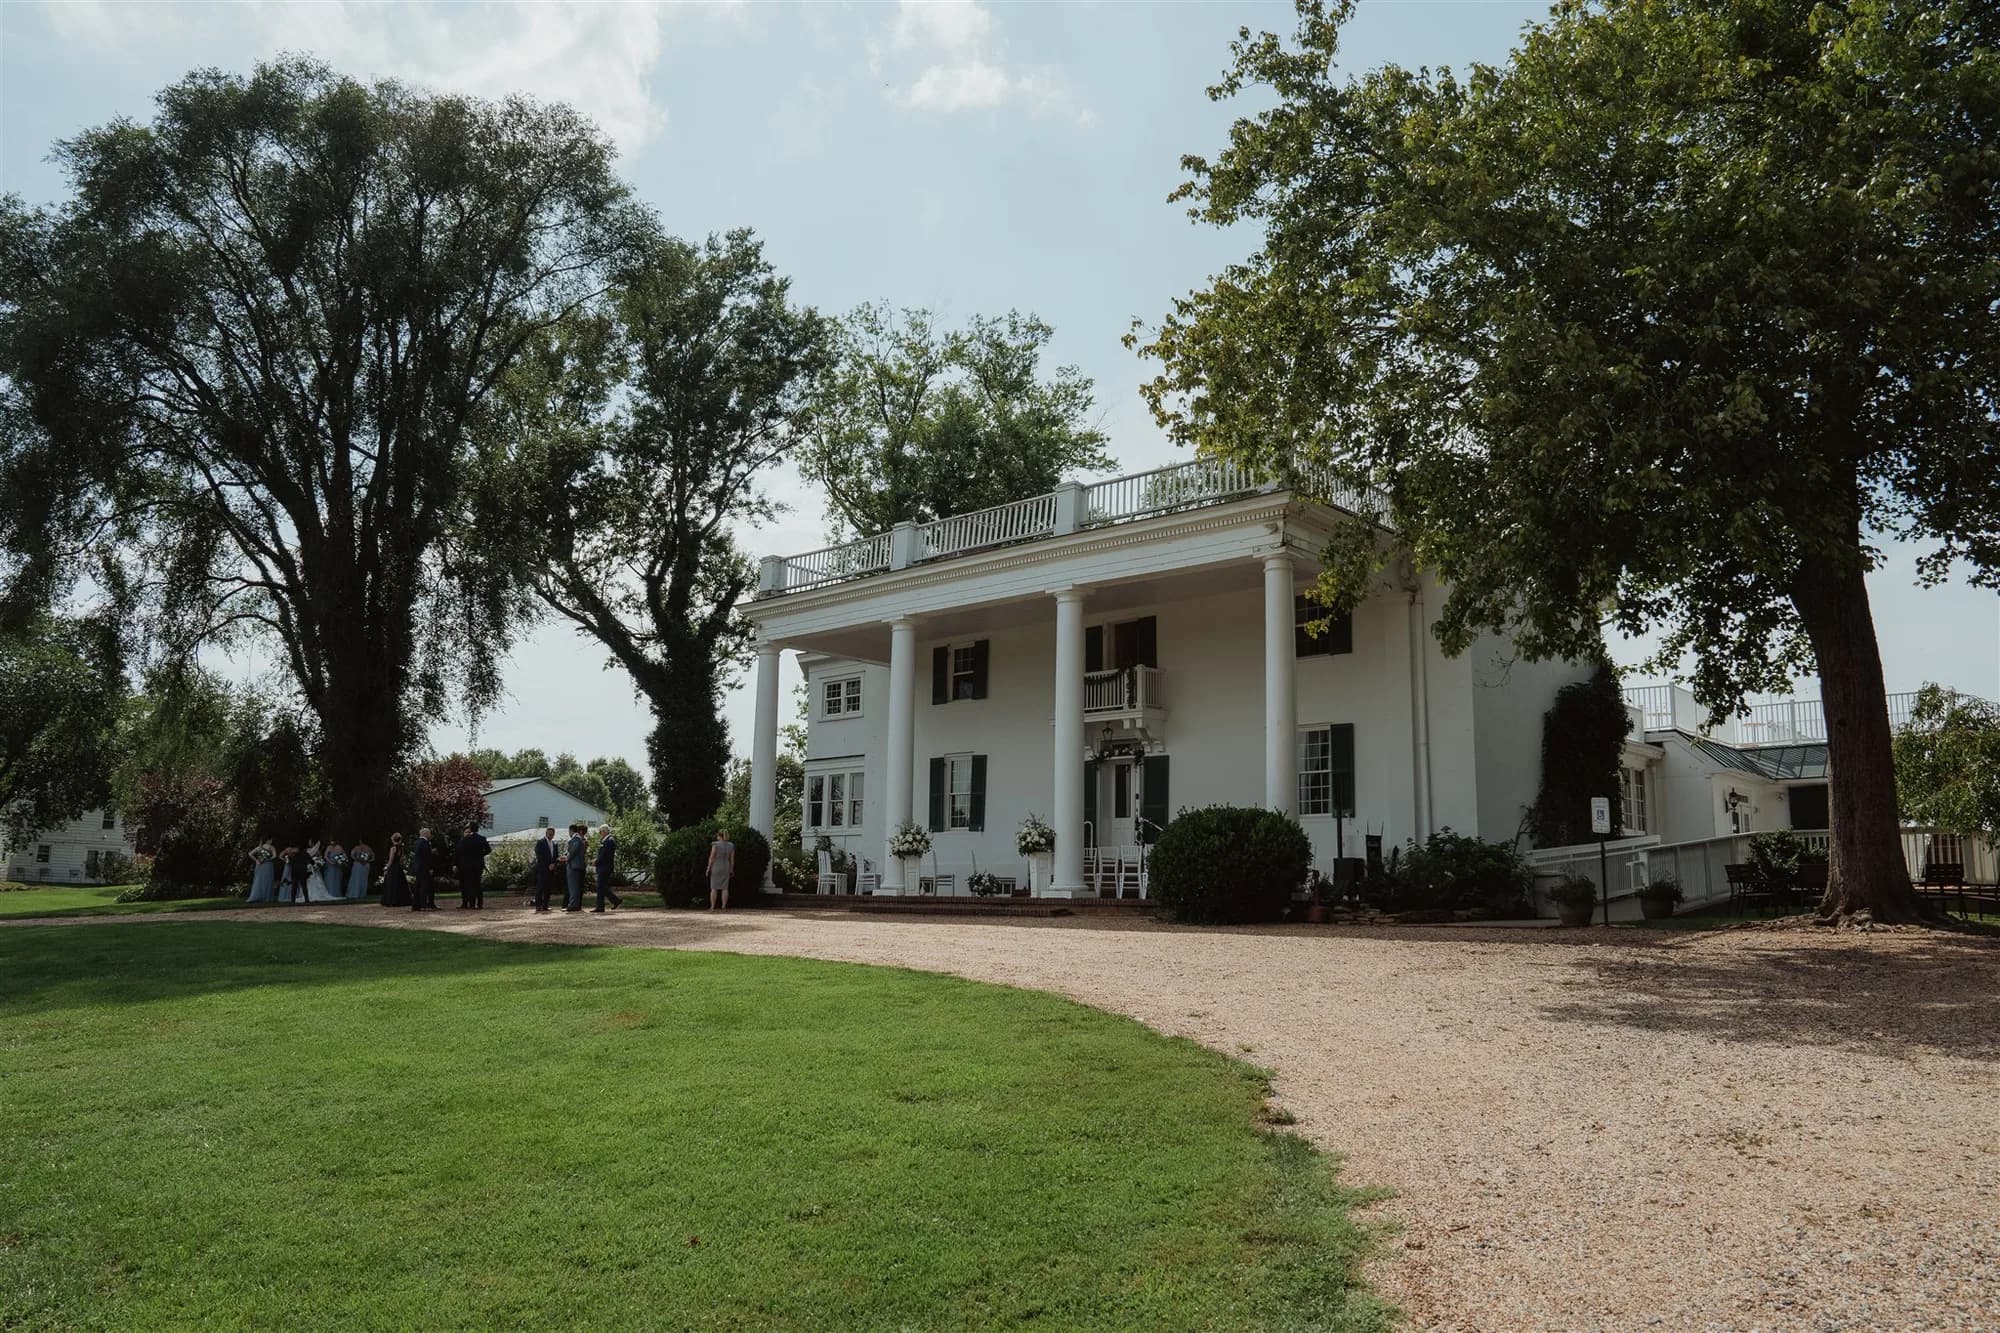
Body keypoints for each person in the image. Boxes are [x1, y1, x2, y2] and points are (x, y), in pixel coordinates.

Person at [456, 824, 491, 910]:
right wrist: (480, 854)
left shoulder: (465, 839)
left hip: (467, 865)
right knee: (478, 884)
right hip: (478, 864)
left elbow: (460, 851)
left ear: (471, 829)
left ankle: (471, 903)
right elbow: (488, 850)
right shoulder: (482, 838)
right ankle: (479, 903)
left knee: (469, 884)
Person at [592, 823, 622, 913]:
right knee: (601, 887)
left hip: (605, 867)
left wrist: (596, 862)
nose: (599, 833)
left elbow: (604, 855)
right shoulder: (606, 840)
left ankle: (615, 900)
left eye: (600, 832)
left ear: (604, 831)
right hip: (603, 866)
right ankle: (600, 906)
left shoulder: (609, 840)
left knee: (601, 886)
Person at [707, 827, 736, 911]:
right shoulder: (731, 845)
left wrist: (709, 867)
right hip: (726, 866)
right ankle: (723, 907)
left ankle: (712, 907)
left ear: (719, 835)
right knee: (725, 888)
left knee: (714, 887)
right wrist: (731, 869)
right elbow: (732, 860)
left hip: (716, 866)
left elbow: (712, 857)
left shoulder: (715, 844)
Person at [532, 825, 559, 913]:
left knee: (548, 888)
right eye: (549, 833)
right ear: (546, 833)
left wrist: (554, 864)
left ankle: (545, 905)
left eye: (552, 834)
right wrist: (548, 865)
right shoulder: (541, 842)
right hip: (543, 869)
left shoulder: (554, 844)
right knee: (540, 888)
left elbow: (556, 856)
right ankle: (538, 905)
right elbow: (539, 856)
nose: (551, 835)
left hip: (551, 869)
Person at [380, 833, 409, 907]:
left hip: (393, 868)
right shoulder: (401, 848)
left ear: (393, 839)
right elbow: (401, 859)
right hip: (398, 867)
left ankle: (391, 900)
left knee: (391, 884)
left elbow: (391, 859)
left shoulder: (393, 848)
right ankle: (401, 900)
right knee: (399, 883)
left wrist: (387, 867)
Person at [564, 822, 587, 912]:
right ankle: (575, 904)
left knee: (573, 887)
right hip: (575, 865)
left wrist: (567, 858)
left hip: (574, 865)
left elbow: (573, 851)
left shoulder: (576, 839)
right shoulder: (578, 839)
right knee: (574, 887)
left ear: (571, 830)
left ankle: (573, 904)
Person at [411, 828, 434, 911]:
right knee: (423, 886)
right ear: (426, 834)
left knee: (418, 886)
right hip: (423, 868)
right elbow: (426, 857)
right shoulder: (424, 843)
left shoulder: (417, 842)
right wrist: (430, 867)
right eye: (429, 833)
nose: (430, 835)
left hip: (418, 867)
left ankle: (416, 905)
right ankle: (423, 905)